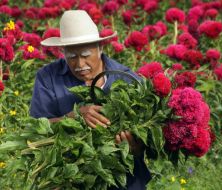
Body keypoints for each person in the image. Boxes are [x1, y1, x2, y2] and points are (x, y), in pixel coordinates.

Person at [30, 10, 151, 189]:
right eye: (72, 57)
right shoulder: (48, 77)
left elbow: (151, 139)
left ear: (100, 49)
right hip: (68, 180)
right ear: (62, 51)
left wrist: (136, 147)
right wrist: (73, 117)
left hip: (125, 182)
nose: (79, 65)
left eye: (86, 55)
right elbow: (35, 128)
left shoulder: (126, 79)